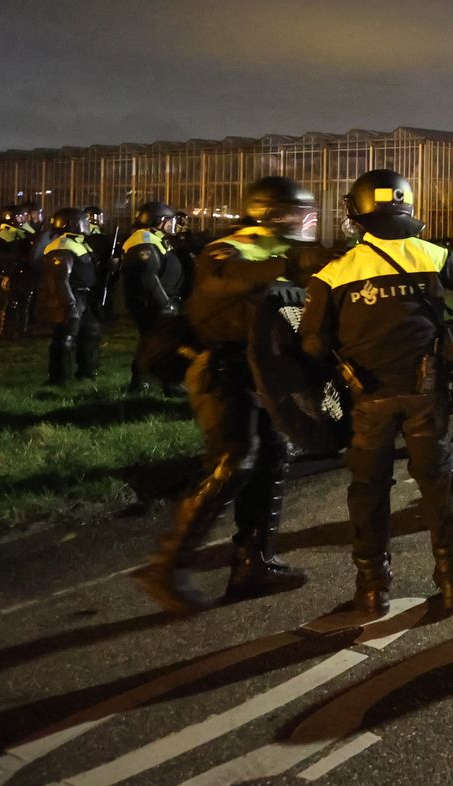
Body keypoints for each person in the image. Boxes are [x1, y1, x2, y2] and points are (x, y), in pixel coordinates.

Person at [301, 169, 453, 614]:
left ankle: (372, 587)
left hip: (366, 400)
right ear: (408, 206)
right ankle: (452, 580)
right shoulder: (431, 255)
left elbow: (311, 343)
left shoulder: (334, 273)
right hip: (427, 393)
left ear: (357, 213)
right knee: (440, 484)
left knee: (368, 488)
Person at [136, 176, 320, 614]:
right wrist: (290, 261)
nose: (305, 222)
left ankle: (253, 563)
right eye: (296, 215)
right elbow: (226, 279)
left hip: (261, 370)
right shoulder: (228, 250)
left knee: (274, 455)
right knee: (234, 458)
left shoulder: (284, 255)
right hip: (219, 366)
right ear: (269, 215)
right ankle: (168, 566)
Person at [121, 200, 185, 393]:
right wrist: (164, 304)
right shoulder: (144, 240)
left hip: (161, 301)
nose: (173, 226)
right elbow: (148, 275)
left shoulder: (154, 238)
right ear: (159, 221)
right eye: (170, 221)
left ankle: (163, 383)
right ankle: (143, 384)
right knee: (154, 343)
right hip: (153, 303)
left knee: (162, 343)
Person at [35, 207, 101, 386]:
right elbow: (60, 280)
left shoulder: (79, 243)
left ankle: (86, 373)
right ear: (71, 224)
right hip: (71, 296)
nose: (86, 225)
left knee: (90, 332)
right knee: (65, 337)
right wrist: (69, 304)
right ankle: (58, 378)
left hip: (84, 296)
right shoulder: (62, 245)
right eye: (82, 221)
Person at [0, 203, 37, 339]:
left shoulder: (23, 232)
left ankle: (21, 330)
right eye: (21, 217)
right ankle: (3, 332)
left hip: (24, 273)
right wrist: (18, 257)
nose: (25, 219)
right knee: (9, 304)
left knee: (24, 303)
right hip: (8, 274)